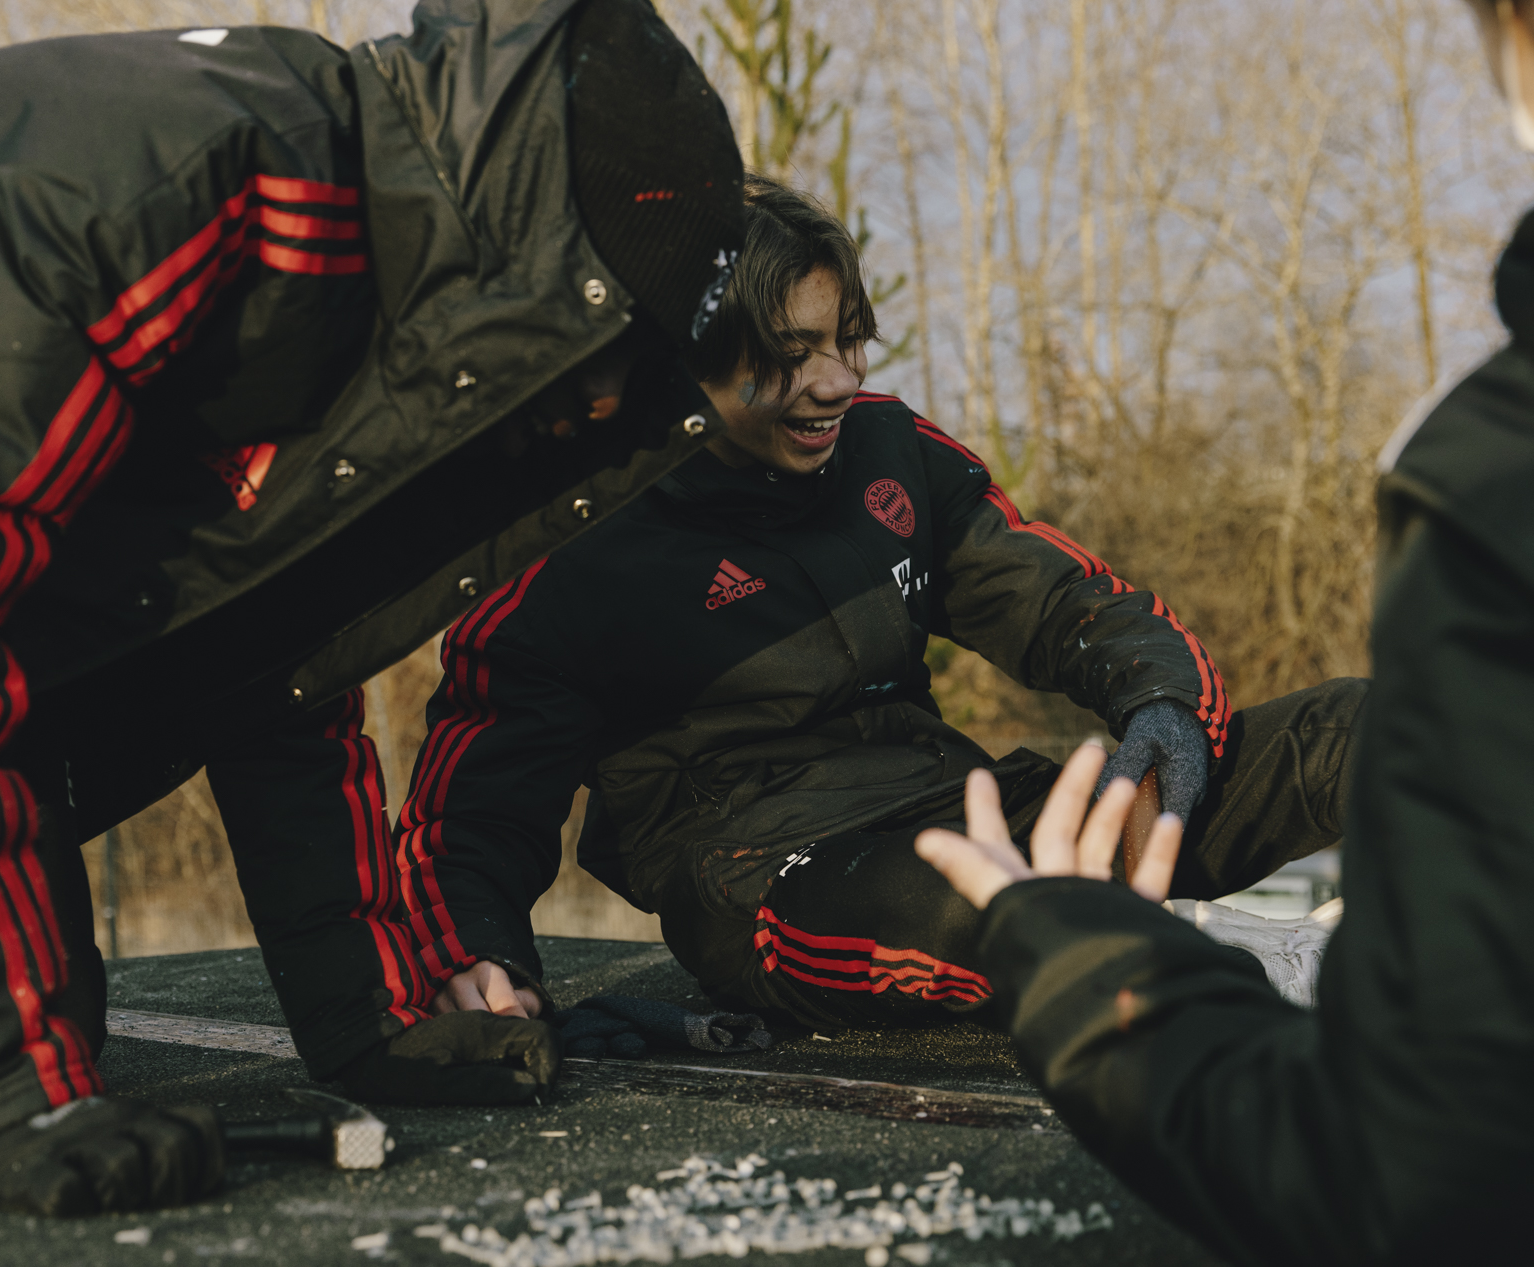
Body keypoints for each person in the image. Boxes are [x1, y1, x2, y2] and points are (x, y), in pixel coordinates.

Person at [0, 0, 744, 1217]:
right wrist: (6, 1090)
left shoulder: (363, 300)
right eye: (606, 355)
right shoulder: (186, 177)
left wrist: (372, 1015)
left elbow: (270, 658)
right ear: (539, 258)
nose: (601, 409)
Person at [914, 0, 1534, 1261]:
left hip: (1073, 818)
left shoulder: (1533, 470)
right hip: (844, 852)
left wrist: (1088, 949)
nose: (816, 378)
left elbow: (1406, 1181)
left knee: (1338, 736)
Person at [391, 174, 1366, 1032]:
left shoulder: (889, 451)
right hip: (771, 879)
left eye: (848, 338)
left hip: (962, 803)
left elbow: (1064, 598)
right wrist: (475, 955)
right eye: (794, 351)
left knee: (1352, 726)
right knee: (982, 903)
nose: (838, 377)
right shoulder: (574, 535)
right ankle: (1250, 966)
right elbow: (471, 808)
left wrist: (1163, 712)